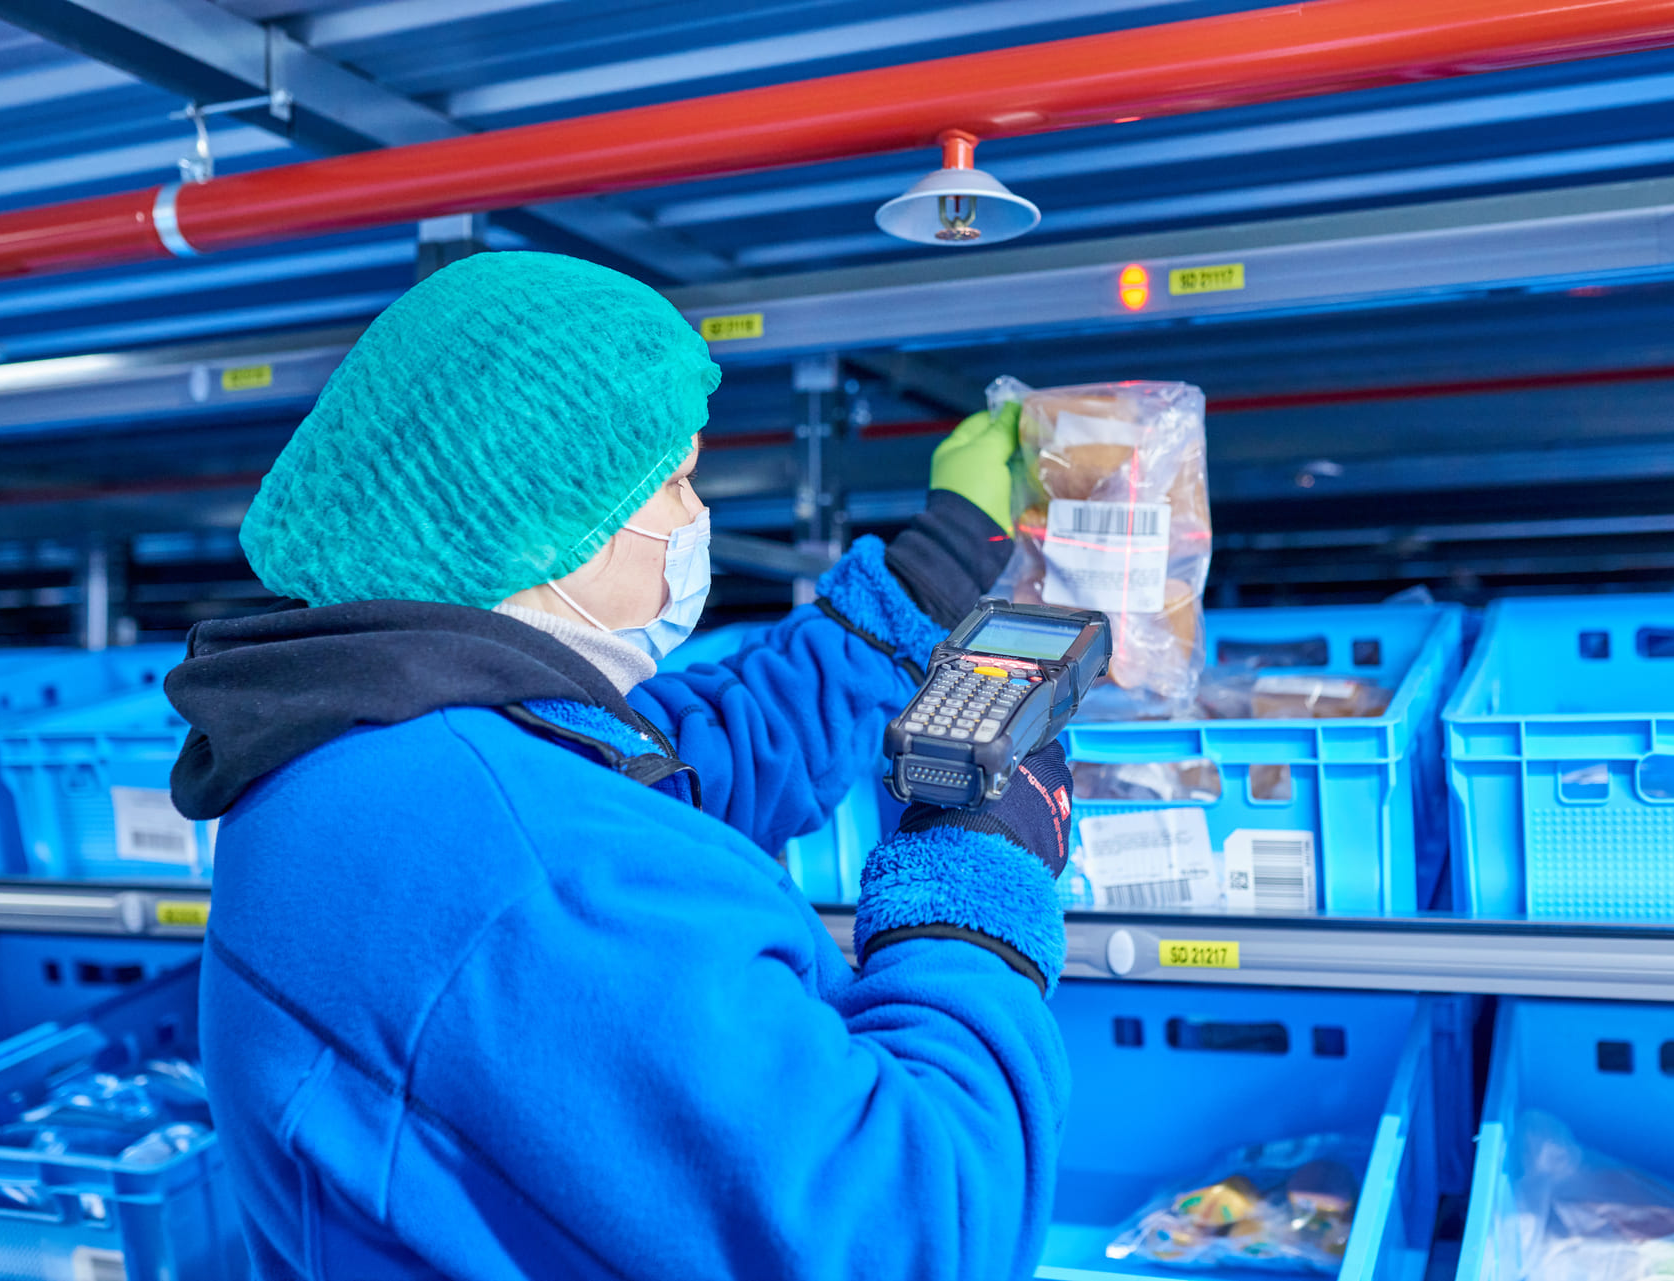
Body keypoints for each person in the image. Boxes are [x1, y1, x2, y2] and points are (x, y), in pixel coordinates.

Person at [166, 251, 1075, 1281]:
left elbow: (673, 776)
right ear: (551, 516)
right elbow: (914, 1229)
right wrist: (972, 889)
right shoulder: (527, 874)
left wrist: (940, 559)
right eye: (678, 477)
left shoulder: (379, 752)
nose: (694, 518)